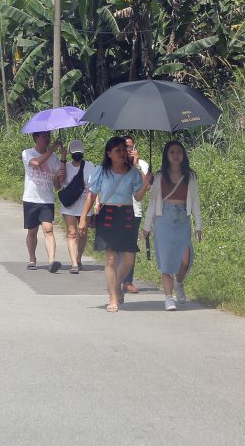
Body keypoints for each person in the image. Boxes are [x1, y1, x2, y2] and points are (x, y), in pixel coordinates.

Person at [80, 136, 151, 312]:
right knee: (111, 258)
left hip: (126, 214)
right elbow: (92, 195)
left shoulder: (133, 172)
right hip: (108, 214)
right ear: (109, 153)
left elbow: (138, 196)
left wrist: (145, 183)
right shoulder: (101, 171)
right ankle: (112, 297)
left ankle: (117, 284)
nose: (122, 153)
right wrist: (83, 217)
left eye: (124, 150)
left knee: (128, 259)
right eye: (117, 150)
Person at [141, 140, 204, 311]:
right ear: (166, 156)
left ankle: (180, 282)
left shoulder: (190, 176)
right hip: (164, 219)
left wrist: (199, 224)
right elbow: (153, 204)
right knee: (167, 260)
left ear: (183, 155)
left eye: (179, 152)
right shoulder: (160, 176)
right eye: (172, 152)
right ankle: (168, 298)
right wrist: (147, 227)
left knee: (185, 259)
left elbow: (196, 202)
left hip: (182, 218)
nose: (176, 155)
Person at [23, 131, 64, 273]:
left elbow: (58, 185)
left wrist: (63, 158)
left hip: (47, 200)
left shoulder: (55, 159)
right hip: (31, 198)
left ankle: (52, 261)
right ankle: (32, 258)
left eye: (49, 136)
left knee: (48, 229)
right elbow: (36, 163)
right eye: (44, 136)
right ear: (36, 138)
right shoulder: (27, 153)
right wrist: (52, 149)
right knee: (32, 231)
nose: (47, 139)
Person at [59, 139, 95, 275]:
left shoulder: (90, 166)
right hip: (69, 206)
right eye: (74, 153)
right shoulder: (65, 166)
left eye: (79, 153)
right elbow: (59, 183)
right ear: (70, 153)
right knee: (72, 233)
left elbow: (95, 187)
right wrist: (62, 160)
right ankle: (74, 263)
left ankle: (79, 258)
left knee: (83, 233)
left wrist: (97, 203)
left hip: (85, 205)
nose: (77, 155)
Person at [120, 135, 150, 294]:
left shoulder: (142, 164)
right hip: (118, 209)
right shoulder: (117, 164)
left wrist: (137, 165)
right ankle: (118, 277)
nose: (127, 150)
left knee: (130, 247)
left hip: (135, 210)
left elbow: (147, 186)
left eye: (130, 147)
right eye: (125, 147)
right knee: (118, 247)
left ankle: (128, 281)